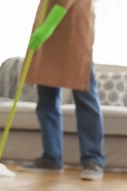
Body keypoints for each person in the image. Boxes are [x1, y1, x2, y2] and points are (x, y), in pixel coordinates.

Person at [20, 0, 105, 180]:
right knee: (46, 100)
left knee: (86, 99)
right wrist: (45, 28)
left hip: (73, 29)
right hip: (49, 32)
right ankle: (51, 157)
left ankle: (93, 160)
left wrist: (48, 26)